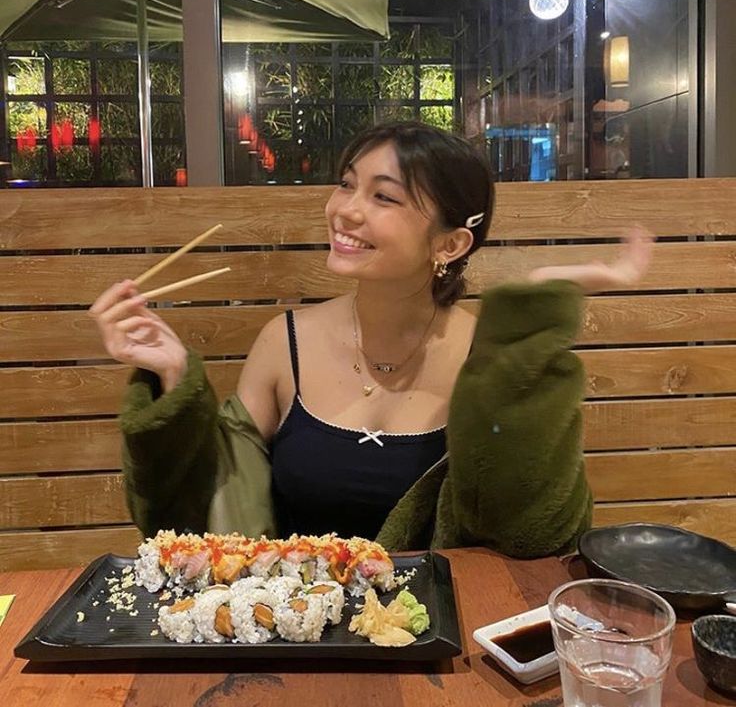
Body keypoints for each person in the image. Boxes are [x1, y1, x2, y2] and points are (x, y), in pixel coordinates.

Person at [90, 121, 652, 557]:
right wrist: (170, 380)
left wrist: (529, 327)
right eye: (346, 184)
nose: (345, 211)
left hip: (430, 638)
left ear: (451, 245)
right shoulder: (283, 341)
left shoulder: (490, 359)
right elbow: (200, 507)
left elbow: (531, 528)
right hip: (296, 628)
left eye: (383, 197)